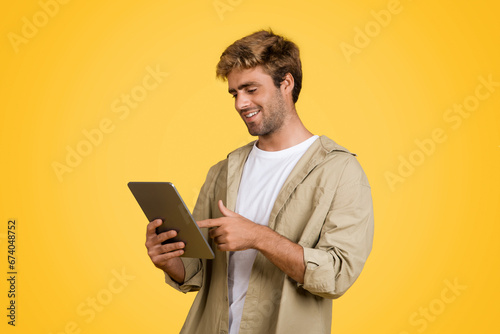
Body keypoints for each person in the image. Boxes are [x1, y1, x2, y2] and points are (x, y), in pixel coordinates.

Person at [145, 29, 374, 334]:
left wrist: (258, 237)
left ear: (286, 83)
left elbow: (336, 275)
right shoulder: (222, 171)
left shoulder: (339, 171)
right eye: (234, 93)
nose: (240, 103)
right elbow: (196, 271)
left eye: (251, 89)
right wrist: (168, 259)